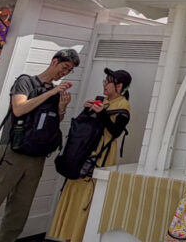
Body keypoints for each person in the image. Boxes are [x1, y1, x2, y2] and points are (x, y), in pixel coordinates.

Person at [0, 49, 79, 242]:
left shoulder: (55, 91)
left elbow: (52, 124)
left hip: (36, 157)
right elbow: (19, 109)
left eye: (69, 71)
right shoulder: (26, 81)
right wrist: (51, 91)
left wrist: (62, 107)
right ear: (54, 62)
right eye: (64, 67)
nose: (65, 73)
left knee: (19, 213)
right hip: (12, 153)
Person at [50, 68, 131, 242]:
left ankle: (78, 236)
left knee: (86, 198)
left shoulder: (123, 106)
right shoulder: (103, 101)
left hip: (97, 158)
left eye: (107, 81)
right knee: (73, 193)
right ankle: (66, 236)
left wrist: (101, 113)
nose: (104, 84)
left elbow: (115, 132)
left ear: (119, 86)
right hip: (81, 154)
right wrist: (87, 110)